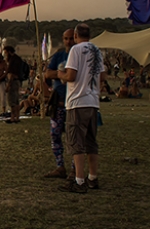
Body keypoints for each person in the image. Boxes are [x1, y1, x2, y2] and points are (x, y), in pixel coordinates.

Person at [58, 23, 103, 193]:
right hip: (93, 101)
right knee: (91, 142)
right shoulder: (97, 51)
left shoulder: (75, 50)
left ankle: (79, 180)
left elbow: (71, 75)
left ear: (76, 35)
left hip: (77, 102)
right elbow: (103, 75)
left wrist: (61, 75)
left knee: (76, 143)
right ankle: (92, 177)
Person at [43, 29, 75, 179]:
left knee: (73, 138)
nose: (69, 41)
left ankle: (76, 169)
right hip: (59, 102)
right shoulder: (59, 55)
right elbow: (48, 74)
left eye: (71, 38)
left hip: (74, 103)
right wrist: (63, 74)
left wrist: (65, 75)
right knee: (55, 136)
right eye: (66, 38)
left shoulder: (78, 56)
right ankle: (60, 166)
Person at [3, 46, 24, 124]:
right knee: (16, 100)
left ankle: (13, 118)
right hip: (17, 81)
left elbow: (11, 74)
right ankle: (17, 117)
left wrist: (8, 85)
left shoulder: (13, 60)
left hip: (13, 81)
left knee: (12, 101)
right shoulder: (18, 59)